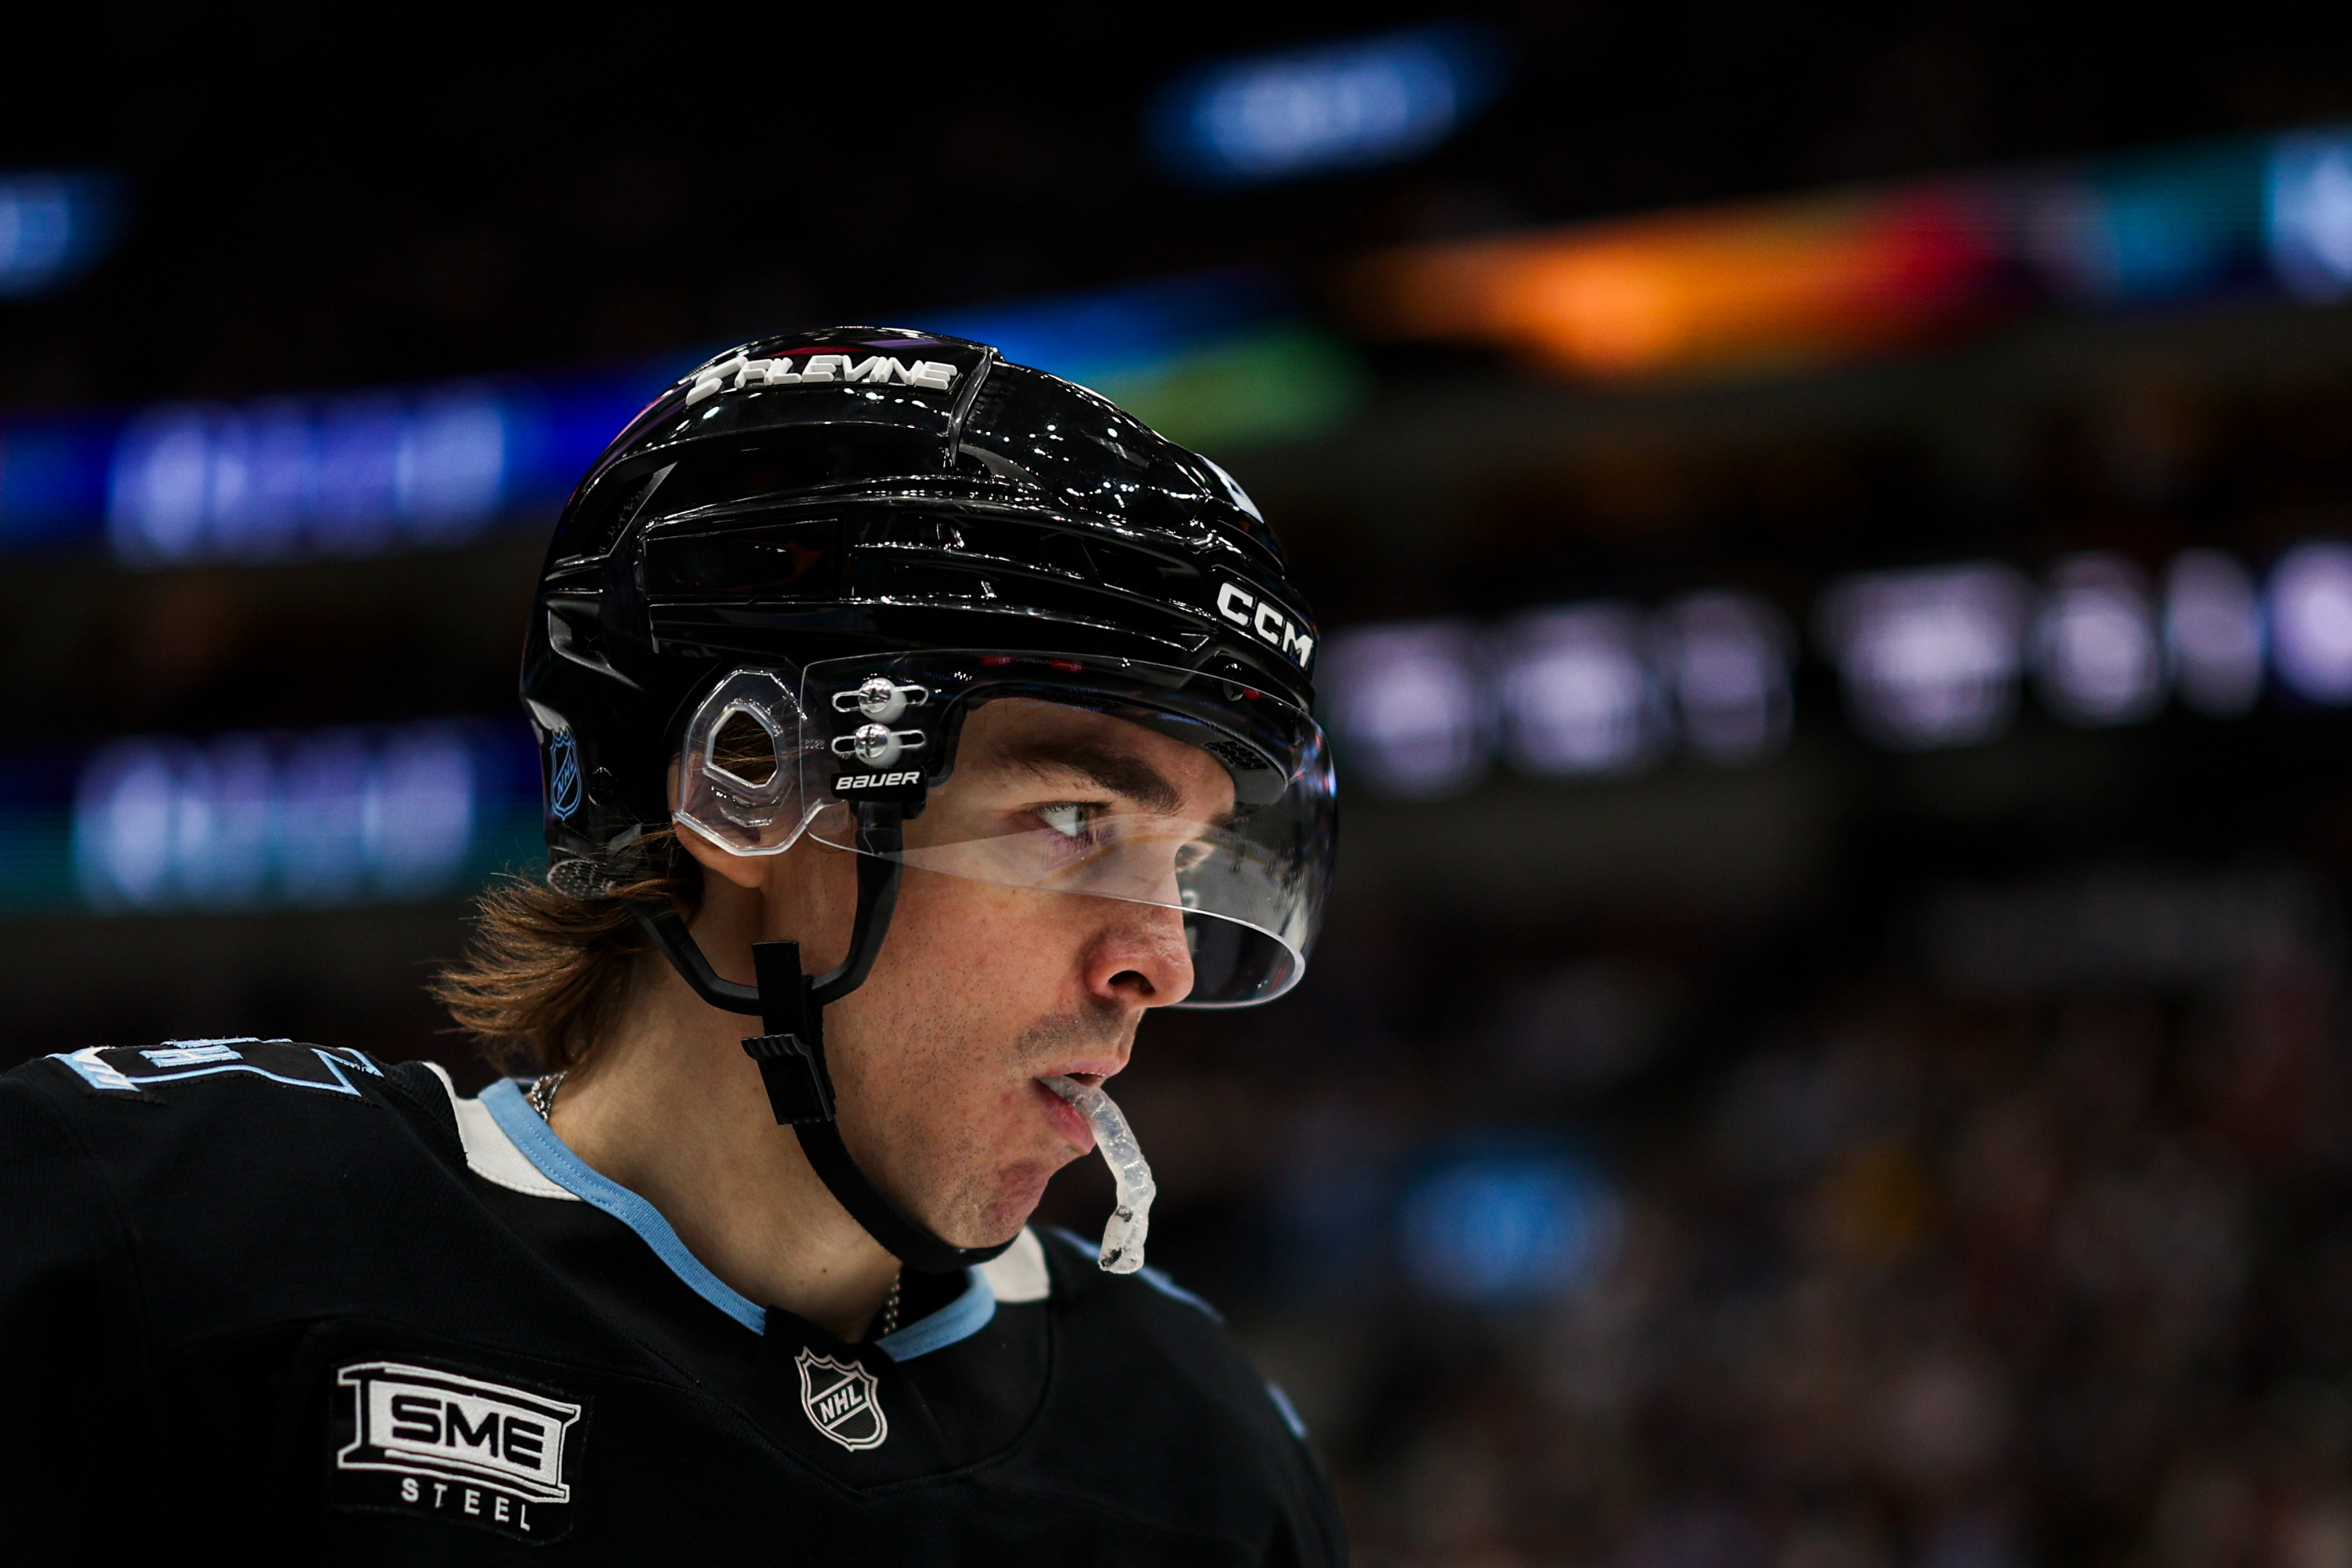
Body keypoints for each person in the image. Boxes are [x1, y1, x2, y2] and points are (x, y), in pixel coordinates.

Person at [0, 328, 1345, 1563]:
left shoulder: (1199, 1456)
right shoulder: (161, 1246)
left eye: (1186, 859)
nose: (1160, 961)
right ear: (748, 778)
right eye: (1074, 817)